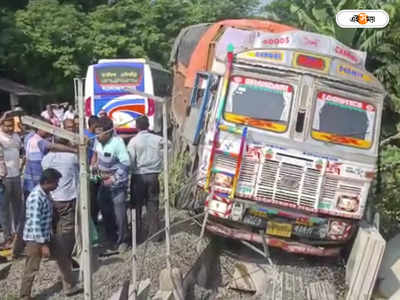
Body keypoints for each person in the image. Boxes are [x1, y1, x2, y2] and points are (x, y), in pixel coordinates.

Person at [19, 168, 82, 299]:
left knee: (63, 257)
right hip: (35, 239)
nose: (57, 185)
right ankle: (24, 296)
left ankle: (69, 287)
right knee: (32, 268)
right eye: (55, 182)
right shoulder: (36, 197)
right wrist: (43, 246)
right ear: (47, 182)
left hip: (47, 234)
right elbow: (35, 224)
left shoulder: (46, 193)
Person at [41, 119, 78, 267]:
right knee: (67, 230)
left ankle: (54, 251)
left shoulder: (46, 159)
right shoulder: (72, 157)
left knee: (55, 227)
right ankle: (65, 257)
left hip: (52, 197)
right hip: (67, 197)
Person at [91, 117, 130, 252]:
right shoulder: (97, 140)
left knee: (119, 213)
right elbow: (95, 154)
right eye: (96, 132)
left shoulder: (117, 143)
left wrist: (113, 178)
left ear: (108, 132)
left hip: (117, 185)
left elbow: (126, 163)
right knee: (106, 211)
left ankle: (123, 240)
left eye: (99, 132)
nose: (97, 135)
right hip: (102, 182)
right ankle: (111, 239)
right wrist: (93, 164)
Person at [127, 116, 166, 242]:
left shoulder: (134, 141)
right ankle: (155, 235)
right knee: (153, 204)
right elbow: (168, 145)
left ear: (137, 127)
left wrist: (131, 170)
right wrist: (160, 158)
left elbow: (131, 159)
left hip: (138, 176)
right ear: (148, 125)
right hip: (153, 175)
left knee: (136, 206)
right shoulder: (158, 139)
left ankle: (137, 236)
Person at [23, 117, 77, 198]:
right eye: (47, 128)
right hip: (36, 179)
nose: (49, 131)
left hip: (30, 178)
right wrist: (73, 150)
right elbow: (52, 146)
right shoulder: (38, 140)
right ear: (39, 128)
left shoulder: (29, 137)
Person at [0, 112, 23, 247]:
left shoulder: (16, 137)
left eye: (11, 126)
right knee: (4, 209)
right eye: (6, 126)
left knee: (18, 207)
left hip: (16, 176)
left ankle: (18, 235)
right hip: (4, 177)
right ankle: (7, 236)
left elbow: (20, 151)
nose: (9, 128)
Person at [85, 116, 100, 224]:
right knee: (93, 194)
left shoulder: (92, 135)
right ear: (93, 125)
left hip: (94, 167)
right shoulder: (89, 136)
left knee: (96, 192)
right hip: (91, 167)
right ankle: (93, 217)